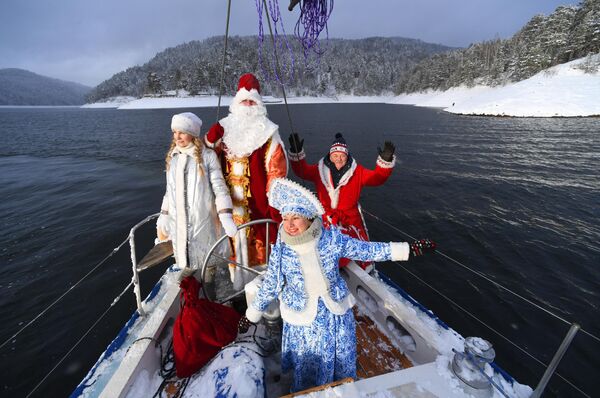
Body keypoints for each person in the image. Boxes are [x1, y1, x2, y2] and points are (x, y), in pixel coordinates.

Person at [239, 178, 435, 393]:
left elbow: (366, 250)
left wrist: (407, 249)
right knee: (310, 365)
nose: (289, 225)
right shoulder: (282, 249)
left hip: (335, 314)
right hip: (304, 321)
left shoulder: (331, 238)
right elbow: (271, 284)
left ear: (310, 217)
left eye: (296, 217)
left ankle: (341, 390)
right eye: (285, 218)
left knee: (340, 359)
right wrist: (251, 314)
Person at [204, 73, 287, 288]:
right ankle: (237, 288)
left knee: (259, 251)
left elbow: (276, 169)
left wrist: (274, 203)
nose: (248, 105)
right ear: (237, 102)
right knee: (232, 247)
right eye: (245, 101)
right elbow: (205, 156)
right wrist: (210, 140)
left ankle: (259, 288)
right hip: (227, 206)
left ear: (258, 104)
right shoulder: (224, 126)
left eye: (252, 101)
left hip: (257, 207)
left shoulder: (268, 132)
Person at [287, 132, 396, 270]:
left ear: (347, 156)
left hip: (350, 220)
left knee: (357, 250)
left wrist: (385, 161)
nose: (338, 159)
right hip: (325, 219)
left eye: (342, 156)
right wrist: (296, 153)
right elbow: (301, 171)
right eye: (335, 155)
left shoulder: (358, 172)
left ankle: (359, 272)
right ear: (330, 155)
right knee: (322, 248)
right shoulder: (319, 169)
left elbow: (377, 178)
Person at [156, 112, 238, 283]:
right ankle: (192, 293)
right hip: (179, 224)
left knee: (207, 264)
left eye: (182, 132)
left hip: (203, 222)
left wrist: (225, 215)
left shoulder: (207, 156)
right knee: (185, 261)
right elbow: (169, 190)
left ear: (192, 134)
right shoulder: (173, 156)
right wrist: (164, 214)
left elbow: (219, 187)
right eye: (175, 132)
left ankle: (209, 287)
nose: (177, 137)